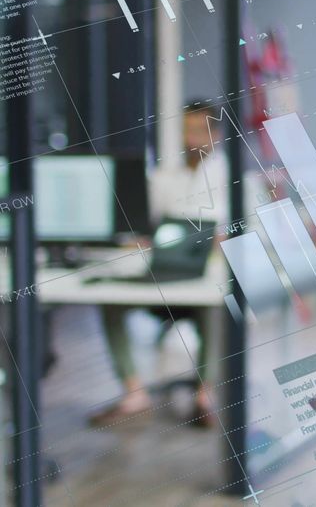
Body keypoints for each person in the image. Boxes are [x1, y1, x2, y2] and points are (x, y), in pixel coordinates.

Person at [89, 100, 227, 427]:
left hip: (204, 279)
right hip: (162, 276)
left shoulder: (232, 177)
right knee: (109, 302)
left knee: (216, 307)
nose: (191, 139)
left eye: (198, 130)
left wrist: (220, 239)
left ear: (216, 134)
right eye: (185, 130)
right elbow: (144, 227)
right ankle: (134, 391)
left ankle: (204, 396)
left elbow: (249, 231)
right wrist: (139, 237)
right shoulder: (164, 178)